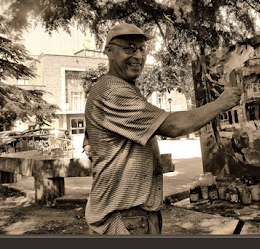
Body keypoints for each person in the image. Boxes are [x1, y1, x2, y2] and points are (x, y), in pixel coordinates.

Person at [84, 23, 241, 235]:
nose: (138, 55)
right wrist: (221, 103)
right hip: (125, 216)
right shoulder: (112, 90)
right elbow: (173, 125)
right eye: (129, 48)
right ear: (109, 51)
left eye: (142, 49)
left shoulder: (122, 88)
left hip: (133, 214)